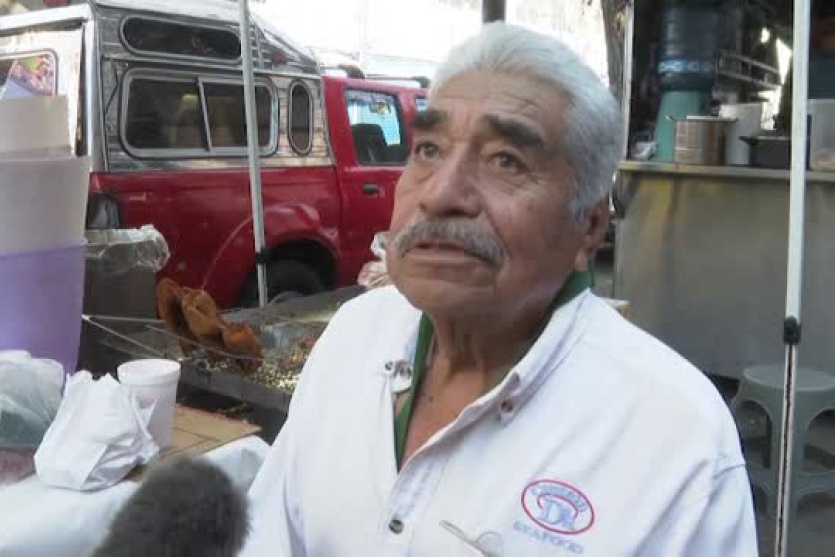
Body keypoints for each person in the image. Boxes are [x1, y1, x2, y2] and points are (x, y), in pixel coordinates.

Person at [243, 23, 757, 556]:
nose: (441, 194)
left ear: (589, 227)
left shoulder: (677, 441)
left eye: (505, 160)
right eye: (428, 149)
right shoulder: (354, 335)